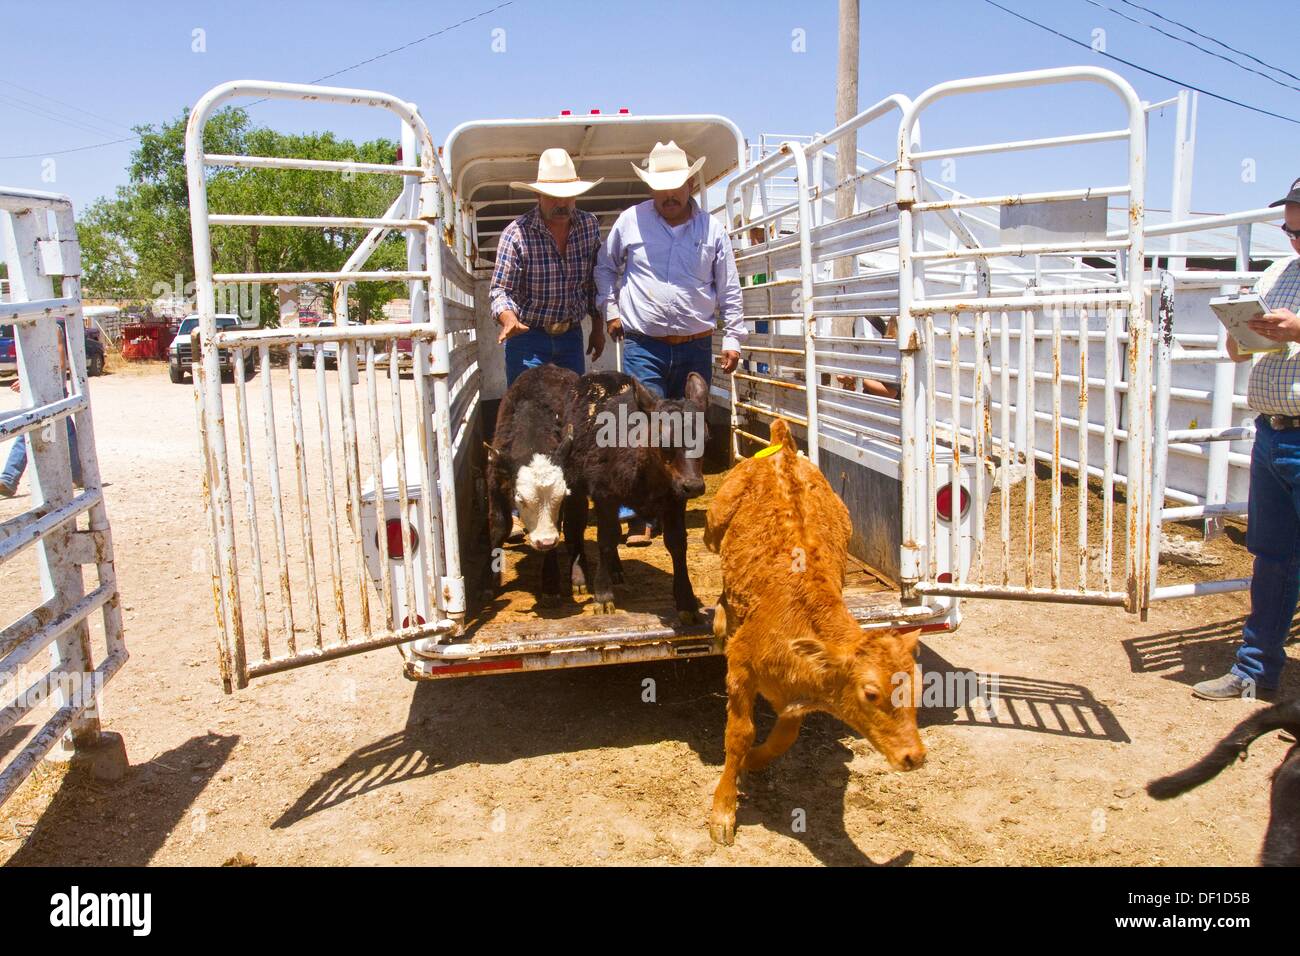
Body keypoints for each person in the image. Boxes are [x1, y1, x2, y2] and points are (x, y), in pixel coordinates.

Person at [595, 141, 745, 544]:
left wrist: (732, 336)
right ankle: (641, 514)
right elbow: (606, 270)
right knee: (643, 428)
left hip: (696, 342)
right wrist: (611, 311)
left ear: (691, 184)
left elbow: (728, 288)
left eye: (676, 186)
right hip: (645, 342)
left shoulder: (712, 229)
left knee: (689, 426)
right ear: (650, 187)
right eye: (661, 187)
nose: (669, 195)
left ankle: (677, 506)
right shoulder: (629, 222)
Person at [1193, 176, 1300, 700]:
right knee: (1272, 556)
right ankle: (1254, 670)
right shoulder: (1280, 271)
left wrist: (1297, 329)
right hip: (1274, 433)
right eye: (1289, 228)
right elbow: (1247, 348)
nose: (1294, 239)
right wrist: (1242, 336)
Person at [489, 148, 606, 386]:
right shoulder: (516, 234)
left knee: (571, 410)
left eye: (568, 196)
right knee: (528, 410)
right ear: (538, 196)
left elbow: (593, 282)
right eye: (553, 196)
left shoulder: (588, 225)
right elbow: (500, 290)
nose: (562, 203)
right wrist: (509, 318)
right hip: (528, 338)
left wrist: (597, 328)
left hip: (571, 335)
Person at [0, 319, 82, 498]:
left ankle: (9, 478)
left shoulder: (52, 328)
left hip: (52, 389)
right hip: (37, 390)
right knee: (62, 430)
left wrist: (30, 381)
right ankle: (78, 473)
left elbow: (59, 363)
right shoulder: (24, 328)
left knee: (28, 429)